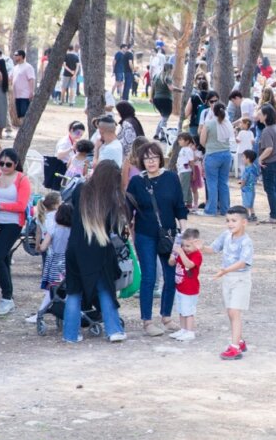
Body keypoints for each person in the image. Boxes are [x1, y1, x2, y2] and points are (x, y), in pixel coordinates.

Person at [62, 160, 127, 343]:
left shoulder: (79, 190)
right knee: (105, 290)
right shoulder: (111, 198)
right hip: (98, 248)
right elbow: (113, 227)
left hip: (74, 247)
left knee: (74, 292)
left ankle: (70, 334)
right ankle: (114, 330)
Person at [130, 142, 189, 336]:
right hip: (144, 234)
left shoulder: (171, 178)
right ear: (141, 161)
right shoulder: (137, 182)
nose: (151, 162)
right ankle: (147, 320)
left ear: (160, 158)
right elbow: (127, 209)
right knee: (149, 276)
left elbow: (180, 207)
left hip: (169, 234)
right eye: (146, 158)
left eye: (154, 157)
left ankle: (166, 316)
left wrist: (184, 233)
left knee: (170, 276)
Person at [0, 148, 32, 317]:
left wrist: (0, 206)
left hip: (12, 224)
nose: (4, 167)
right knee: (3, 259)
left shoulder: (22, 180)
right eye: (1, 163)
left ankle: (6, 297)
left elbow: (21, 205)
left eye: (8, 164)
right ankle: (8, 294)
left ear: (16, 164)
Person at [206, 207, 254, 359]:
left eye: (234, 221)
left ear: (244, 222)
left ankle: (234, 348)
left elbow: (242, 263)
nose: (230, 224)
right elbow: (213, 248)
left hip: (240, 279)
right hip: (227, 278)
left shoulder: (246, 242)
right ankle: (239, 341)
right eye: (228, 221)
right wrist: (198, 247)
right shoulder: (226, 235)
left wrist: (225, 271)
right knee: (230, 312)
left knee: (235, 312)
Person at [169, 228, 203, 343]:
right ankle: (183, 329)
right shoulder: (182, 252)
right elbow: (171, 263)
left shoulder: (197, 255)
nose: (185, 248)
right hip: (180, 287)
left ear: (196, 244)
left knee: (188, 311)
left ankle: (190, 331)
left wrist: (182, 253)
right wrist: (173, 255)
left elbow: (189, 264)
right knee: (181, 310)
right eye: (183, 245)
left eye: (188, 246)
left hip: (190, 289)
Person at [199, 102, 233, 216]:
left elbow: (202, 141)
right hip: (227, 155)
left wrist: (209, 145)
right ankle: (225, 209)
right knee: (224, 183)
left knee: (212, 183)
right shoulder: (228, 123)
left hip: (213, 154)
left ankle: (211, 209)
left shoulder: (209, 124)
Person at [254, 105, 276, 224]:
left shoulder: (267, 131)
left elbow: (269, 148)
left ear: (265, 116)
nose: (258, 116)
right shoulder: (275, 128)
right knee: (274, 189)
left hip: (269, 163)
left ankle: (274, 216)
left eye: (260, 114)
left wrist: (259, 159)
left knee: (270, 189)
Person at [9, 49, 37, 121]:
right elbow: (10, 78)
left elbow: (31, 79)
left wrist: (31, 92)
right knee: (20, 114)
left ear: (21, 56)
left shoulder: (28, 67)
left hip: (25, 95)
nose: (14, 57)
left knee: (25, 114)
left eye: (16, 55)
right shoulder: (15, 68)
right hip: (17, 95)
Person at [239, 150, 260, 222]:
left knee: (246, 204)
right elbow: (257, 175)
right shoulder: (254, 167)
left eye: (243, 157)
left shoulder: (247, 169)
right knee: (250, 203)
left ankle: (246, 216)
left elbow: (244, 179)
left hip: (246, 188)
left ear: (248, 159)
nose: (242, 159)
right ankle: (253, 215)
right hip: (252, 188)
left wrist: (241, 186)